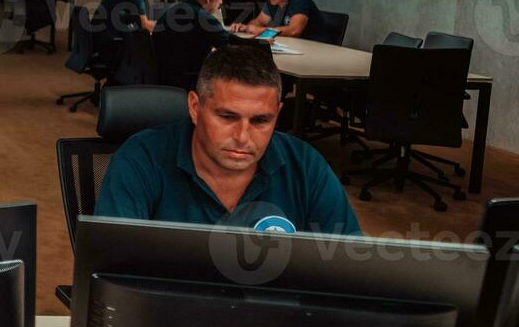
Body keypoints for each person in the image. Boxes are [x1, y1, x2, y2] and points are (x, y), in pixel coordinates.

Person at [94, 46, 360, 234]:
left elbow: (347, 271)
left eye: (260, 121)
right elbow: (110, 270)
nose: (243, 137)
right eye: (227, 117)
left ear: (278, 115)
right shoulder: (142, 159)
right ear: (195, 108)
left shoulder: (305, 166)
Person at [152, 0, 230, 92]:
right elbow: (228, 43)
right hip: (187, 81)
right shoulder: (202, 16)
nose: (221, 2)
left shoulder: (173, 10)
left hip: (163, 77)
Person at [235, 0, 326, 41]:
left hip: (314, 46)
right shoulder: (273, 1)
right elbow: (259, 22)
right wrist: (246, 27)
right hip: (292, 45)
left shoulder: (300, 1)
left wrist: (260, 30)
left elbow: (294, 31)